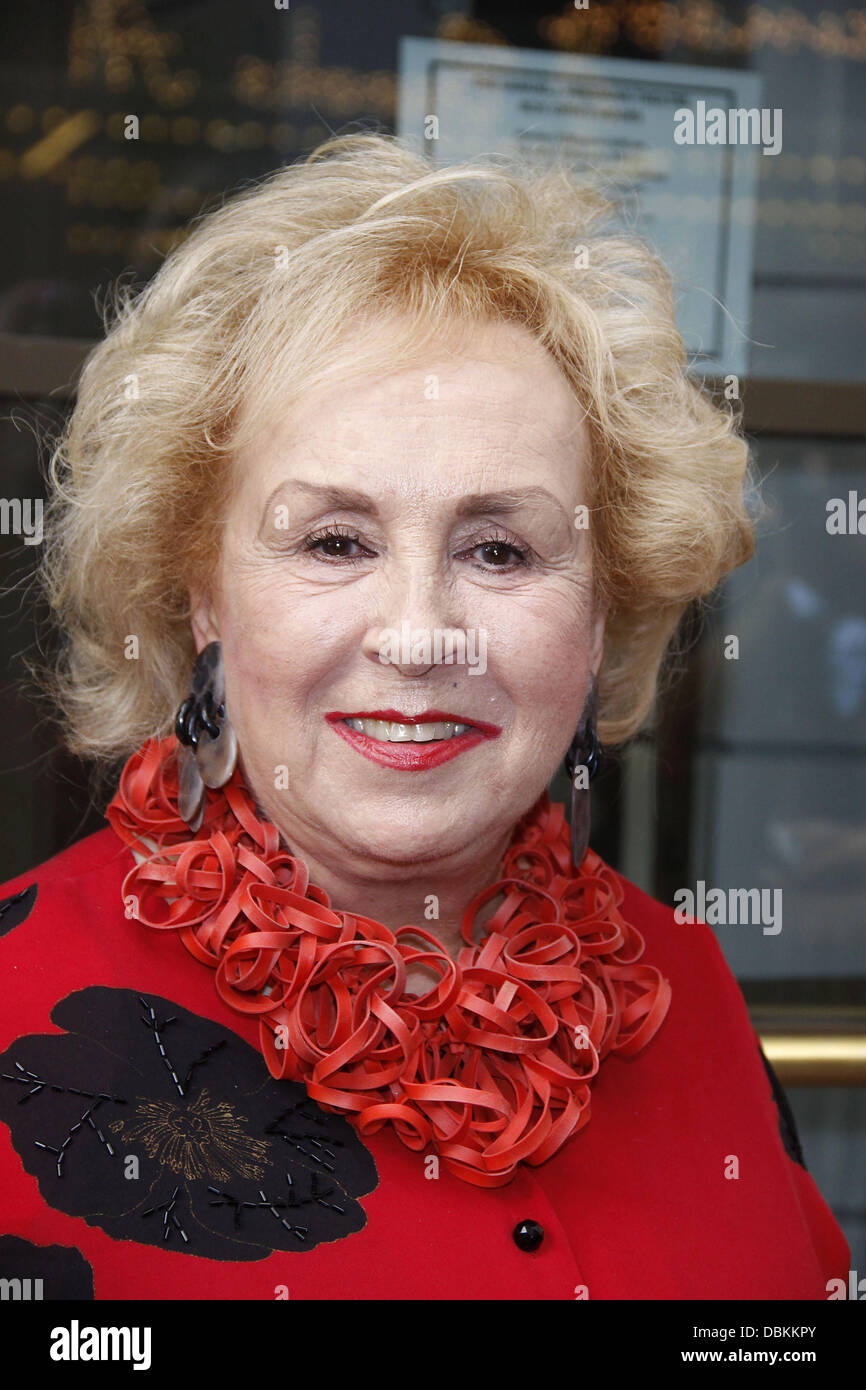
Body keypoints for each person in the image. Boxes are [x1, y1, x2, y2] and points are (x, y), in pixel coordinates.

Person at [0, 133, 849, 1300]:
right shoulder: (17, 1011)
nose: (419, 635)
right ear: (199, 589)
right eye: (333, 541)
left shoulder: (687, 988)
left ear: (602, 612)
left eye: (499, 549)